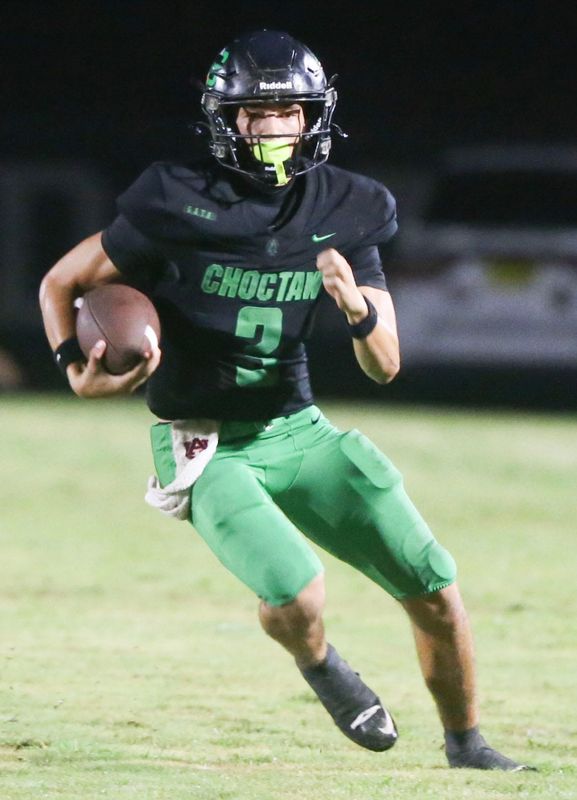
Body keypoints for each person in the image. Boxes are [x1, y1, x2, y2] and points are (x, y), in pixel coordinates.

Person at [39, 29, 533, 770]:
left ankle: (467, 748)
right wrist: (74, 365)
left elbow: (384, 365)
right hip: (203, 439)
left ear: (313, 117)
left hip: (294, 424)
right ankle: (323, 666)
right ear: (225, 120)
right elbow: (60, 282)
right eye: (255, 113)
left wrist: (355, 308)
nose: (273, 128)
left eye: (288, 112)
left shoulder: (347, 207)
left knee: (433, 581)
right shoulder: (177, 200)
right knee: (297, 593)